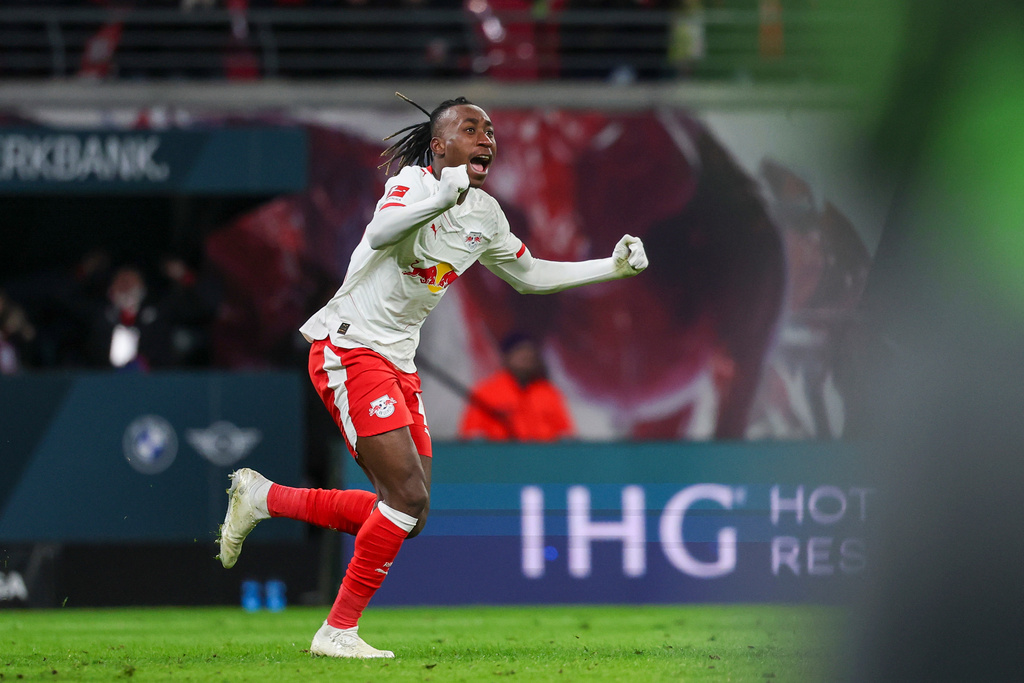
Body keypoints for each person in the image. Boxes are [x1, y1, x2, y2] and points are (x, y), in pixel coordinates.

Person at [215, 94, 648, 659]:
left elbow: (529, 275)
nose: (487, 137)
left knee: (409, 514)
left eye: (490, 130)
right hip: (350, 347)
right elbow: (380, 234)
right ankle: (336, 631)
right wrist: (439, 196)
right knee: (405, 495)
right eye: (472, 128)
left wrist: (609, 267)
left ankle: (266, 498)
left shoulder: (485, 214)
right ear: (440, 146)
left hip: (398, 361)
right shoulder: (414, 186)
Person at [458, 331, 575, 441]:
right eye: (520, 352)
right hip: (499, 458)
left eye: (530, 353)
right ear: (506, 356)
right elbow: (471, 437)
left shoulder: (549, 393)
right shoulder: (486, 392)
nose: (526, 357)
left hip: (542, 458)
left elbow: (566, 437)